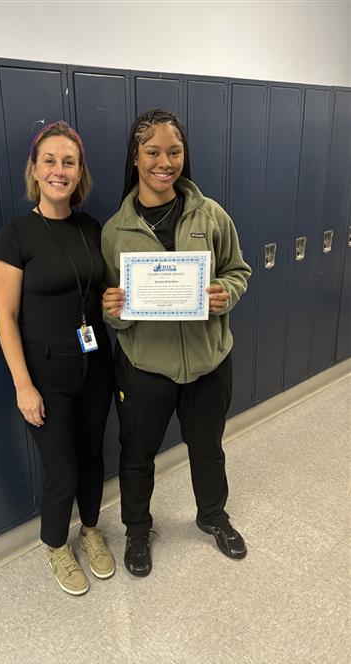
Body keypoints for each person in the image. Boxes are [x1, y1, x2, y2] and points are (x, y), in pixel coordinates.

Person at [101, 108, 251, 577]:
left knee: (208, 446)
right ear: (135, 157)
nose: (164, 162)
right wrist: (116, 314)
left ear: (184, 155)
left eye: (174, 151)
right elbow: (112, 306)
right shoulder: (114, 231)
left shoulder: (212, 215)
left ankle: (212, 516)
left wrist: (227, 294)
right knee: (137, 454)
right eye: (152, 152)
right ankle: (138, 530)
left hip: (208, 362)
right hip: (145, 368)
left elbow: (238, 271)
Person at [0, 121, 115, 595]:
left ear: (79, 171)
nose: (59, 170)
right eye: (50, 161)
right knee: (61, 468)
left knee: (92, 456)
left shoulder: (91, 227)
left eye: (69, 161)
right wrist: (24, 385)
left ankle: (90, 529)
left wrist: (114, 302)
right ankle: (56, 545)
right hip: (46, 369)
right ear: (35, 170)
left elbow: (101, 290)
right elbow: (5, 318)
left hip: (95, 361)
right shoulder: (15, 236)